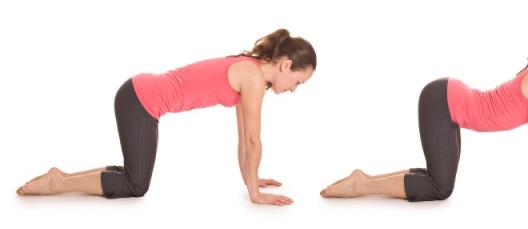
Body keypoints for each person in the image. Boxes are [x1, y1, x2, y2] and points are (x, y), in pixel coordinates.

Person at [320, 18, 528, 211]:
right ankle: (363, 184)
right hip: (443, 103)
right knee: (439, 187)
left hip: (446, 101)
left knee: (438, 179)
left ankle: (364, 178)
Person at [16, 29, 316, 206]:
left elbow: (244, 137)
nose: (294, 90)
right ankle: (57, 185)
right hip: (140, 100)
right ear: (286, 65)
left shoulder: (250, 71)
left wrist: (252, 180)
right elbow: (252, 140)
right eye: (298, 82)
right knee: (136, 185)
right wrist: (255, 194)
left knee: (132, 174)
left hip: (138, 96)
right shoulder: (251, 78)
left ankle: (62, 177)